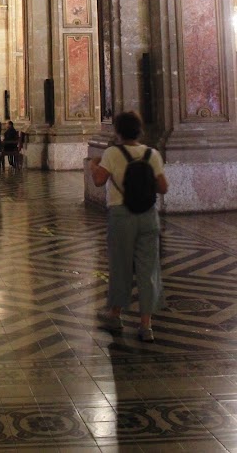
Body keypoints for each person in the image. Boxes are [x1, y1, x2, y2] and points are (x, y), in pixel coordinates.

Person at [90, 110, 168, 342]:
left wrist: (95, 165)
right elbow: (163, 187)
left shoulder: (113, 153)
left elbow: (98, 181)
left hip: (121, 215)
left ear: (118, 131)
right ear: (140, 130)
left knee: (120, 266)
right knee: (148, 269)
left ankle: (115, 315)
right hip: (147, 216)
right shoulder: (151, 154)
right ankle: (146, 325)